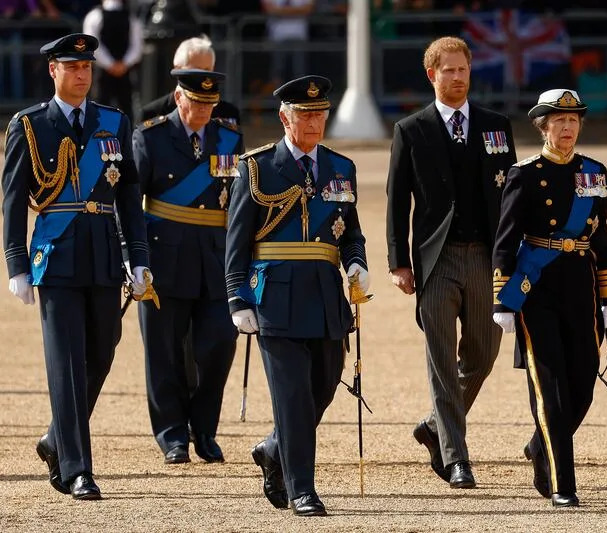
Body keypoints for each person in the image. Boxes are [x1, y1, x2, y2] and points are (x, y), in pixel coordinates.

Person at [2, 33, 150, 500]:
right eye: (72, 67)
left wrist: (138, 256)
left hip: (104, 252)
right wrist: (15, 263)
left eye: (87, 68)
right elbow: (11, 200)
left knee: (102, 352)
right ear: (53, 71)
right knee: (66, 363)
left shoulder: (114, 121)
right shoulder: (30, 125)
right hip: (57, 254)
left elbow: (128, 195)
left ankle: (55, 438)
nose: (82, 75)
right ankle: (77, 469)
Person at [225, 75, 368, 516]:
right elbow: (237, 239)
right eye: (305, 114)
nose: (313, 121)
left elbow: (351, 232)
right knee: (291, 397)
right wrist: (237, 297)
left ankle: (273, 448)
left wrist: (356, 261)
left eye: (320, 113)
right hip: (275, 298)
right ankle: (301, 488)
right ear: (285, 117)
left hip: (326, 297)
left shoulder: (341, 168)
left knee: (322, 389)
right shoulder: (258, 168)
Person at [386, 36, 517, 488]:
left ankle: (434, 426)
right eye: (449, 71)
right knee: (441, 359)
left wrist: (514, 254)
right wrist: (398, 262)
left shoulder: (496, 125)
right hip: (435, 260)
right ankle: (456, 457)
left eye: (463, 69)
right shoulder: (411, 129)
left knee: (483, 353)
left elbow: (513, 198)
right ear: (432, 75)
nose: (457, 77)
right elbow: (395, 200)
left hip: (485, 257)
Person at [491, 89, 607, 508]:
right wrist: (502, 299)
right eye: (559, 122)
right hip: (536, 288)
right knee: (550, 388)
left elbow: (601, 236)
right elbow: (505, 240)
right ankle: (564, 483)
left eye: (574, 121)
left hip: (580, 284)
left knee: (584, 381)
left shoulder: (595, 172)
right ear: (543, 127)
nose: (567, 128)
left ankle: (539, 444)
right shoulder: (524, 174)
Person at [132, 68, 242, 464]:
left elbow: (239, 203)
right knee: (163, 353)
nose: (203, 110)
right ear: (178, 98)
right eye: (196, 102)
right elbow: (131, 205)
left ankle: (204, 429)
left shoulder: (229, 138)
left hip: (215, 259)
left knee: (219, 346)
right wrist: (135, 258)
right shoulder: (150, 137)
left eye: (210, 104)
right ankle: (172, 435)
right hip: (164, 259)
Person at [140, 35, 240, 125]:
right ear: (177, 69)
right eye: (196, 70)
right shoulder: (153, 113)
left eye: (207, 70)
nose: (203, 76)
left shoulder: (228, 113)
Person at [83, 0, 144, 120]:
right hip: (111, 71)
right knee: (122, 110)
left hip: (115, 71)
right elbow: (137, 47)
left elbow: (91, 45)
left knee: (103, 109)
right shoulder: (131, 17)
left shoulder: (94, 16)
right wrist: (121, 64)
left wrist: (113, 64)